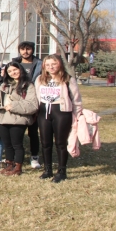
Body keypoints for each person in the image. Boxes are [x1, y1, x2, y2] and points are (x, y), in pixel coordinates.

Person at [35, 54, 83, 183]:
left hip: (61, 112)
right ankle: (47, 169)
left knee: (60, 143)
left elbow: (76, 99)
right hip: (44, 111)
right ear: (44, 66)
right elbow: (36, 97)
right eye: (48, 64)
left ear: (60, 64)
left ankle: (62, 171)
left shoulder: (67, 79)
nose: (51, 67)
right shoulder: (40, 79)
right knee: (45, 143)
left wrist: (77, 115)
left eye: (54, 64)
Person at [0, 62, 38, 176]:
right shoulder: (4, 85)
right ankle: (9, 164)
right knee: (7, 144)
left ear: (20, 69)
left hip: (18, 119)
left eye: (15, 70)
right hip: (2, 118)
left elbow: (32, 105)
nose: (12, 73)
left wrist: (13, 106)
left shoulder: (28, 85)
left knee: (17, 144)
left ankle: (18, 166)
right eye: (9, 71)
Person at [12, 41, 43, 169]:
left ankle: (34, 157)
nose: (25, 52)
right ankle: (14, 156)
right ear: (19, 51)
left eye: (28, 49)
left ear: (33, 50)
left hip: (34, 98)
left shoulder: (40, 64)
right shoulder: (15, 63)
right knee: (16, 131)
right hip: (17, 99)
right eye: (23, 49)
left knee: (33, 132)